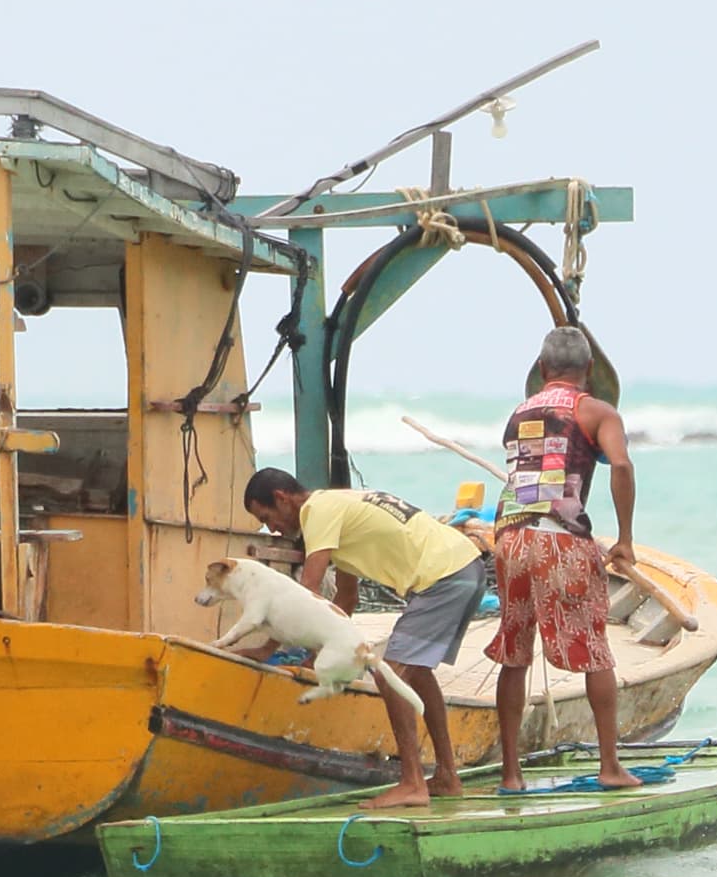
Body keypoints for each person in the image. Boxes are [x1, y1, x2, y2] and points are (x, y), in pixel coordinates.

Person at [241, 470, 489, 809]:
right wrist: (318, 655)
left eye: (267, 518)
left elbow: (306, 593)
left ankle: (412, 783)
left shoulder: (317, 512)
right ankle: (446, 776)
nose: (272, 529)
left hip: (444, 576)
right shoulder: (337, 507)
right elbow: (346, 599)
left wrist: (268, 647)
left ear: (282, 498)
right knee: (416, 673)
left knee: (390, 676)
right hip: (466, 567)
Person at [488, 325, 640, 790]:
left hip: (510, 539)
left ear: (541, 369)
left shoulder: (518, 413)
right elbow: (620, 464)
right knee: (595, 650)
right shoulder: (597, 411)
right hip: (560, 541)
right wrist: (625, 539)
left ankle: (511, 774)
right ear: (589, 369)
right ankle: (610, 767)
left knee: (515, 653)